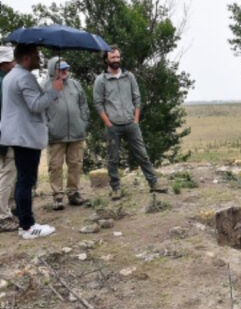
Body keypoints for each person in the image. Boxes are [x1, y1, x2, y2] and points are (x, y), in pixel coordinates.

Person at [0, 44, 63, 239]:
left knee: (23, 181)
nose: (39, 58)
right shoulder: (24, 77)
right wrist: (54, 90)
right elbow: (35, 105)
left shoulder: (11, 76)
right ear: (26, 58)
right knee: (26, 181)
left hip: (18, 135)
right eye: (36, 55)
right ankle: (27, 226)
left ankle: (25, 223)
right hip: (25, 136)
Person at [93, 47, 167, 200]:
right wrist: (108, 123)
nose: (116, 60)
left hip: (131, 123)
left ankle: (153, 183)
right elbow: (98, 103)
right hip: (113, 125)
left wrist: (136, 120)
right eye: (112, 58)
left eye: (118, 57)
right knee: (113, 158)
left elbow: (137, 98)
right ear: (106, 59)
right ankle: (116, 189)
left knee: (142, 155)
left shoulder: (129, 76)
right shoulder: (101, 80)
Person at [45, 56, 89, 210]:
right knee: (55, 166)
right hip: (55, 135)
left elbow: (83, 104)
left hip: (76, 132)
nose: (64, 71)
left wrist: (83, 122)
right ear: (52, 69)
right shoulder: (46, 86)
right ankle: (57, 196)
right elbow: (40, 109)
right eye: (60, 68)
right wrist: (48, 126)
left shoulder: (75, 85)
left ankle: (73, 193)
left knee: (75, 164)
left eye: (66, 68)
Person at [0, 46, 18, 231]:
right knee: (7, 173)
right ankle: (3, 215)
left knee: (9, 172)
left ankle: (9, 209)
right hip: (6, 135)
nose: (14, 64)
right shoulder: (3, 83)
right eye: (11, 61)